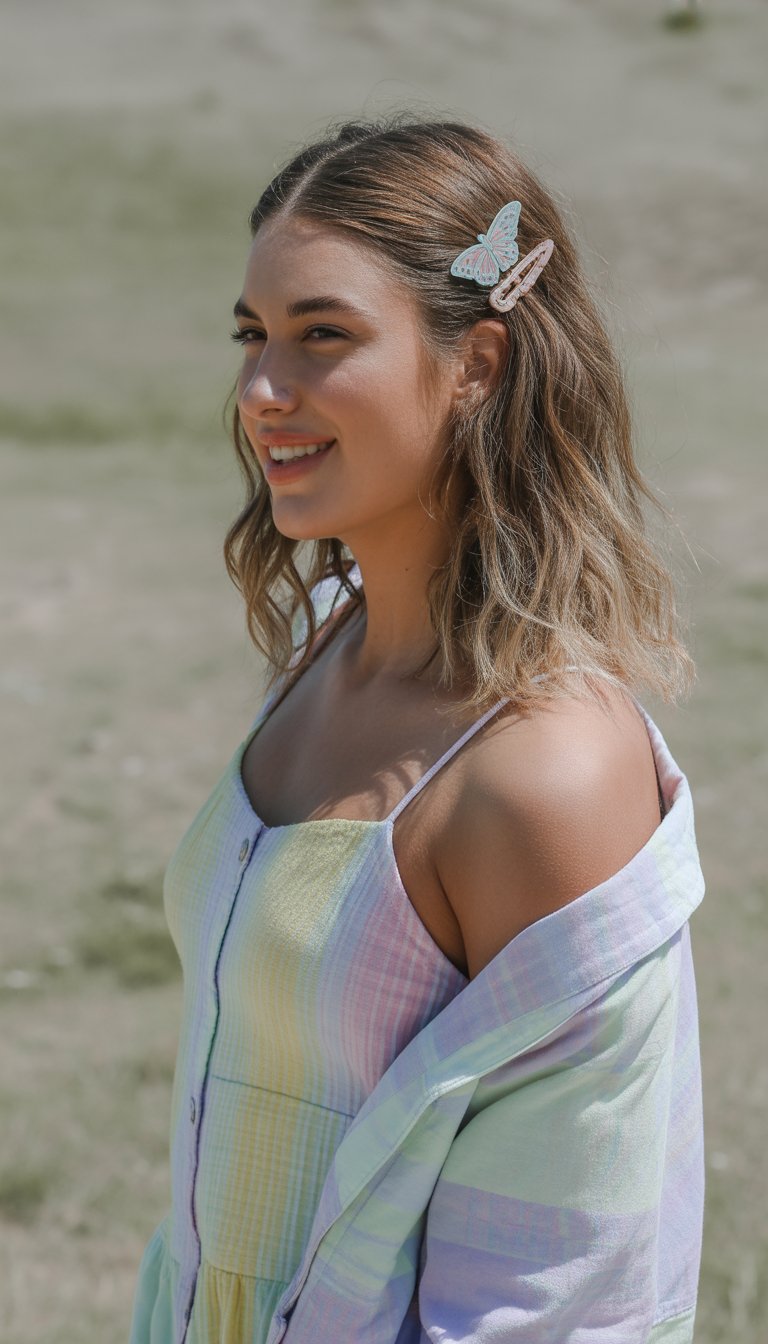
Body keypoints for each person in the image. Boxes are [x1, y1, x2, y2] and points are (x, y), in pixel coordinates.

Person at [129, 115, 706, 1344]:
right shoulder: (321, 651)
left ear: (478, 365)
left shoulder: (544, 774)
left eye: (322, 336)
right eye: (253, 336)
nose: (261, 393)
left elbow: (566, 1291)